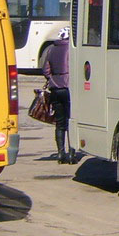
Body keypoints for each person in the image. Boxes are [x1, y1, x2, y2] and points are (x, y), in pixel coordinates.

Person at [42, 27, 73, 163]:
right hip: (68, 88)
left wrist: (53, 79)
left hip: (55, 89)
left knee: (59, 123)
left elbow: (46, 71)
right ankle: (72, 153)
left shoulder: (51, 49)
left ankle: (61, 153)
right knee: (71, 120)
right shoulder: (70, 49)